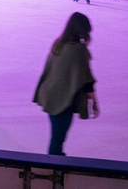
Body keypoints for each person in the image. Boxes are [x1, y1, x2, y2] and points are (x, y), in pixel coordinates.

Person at [33, 12, 99, 156]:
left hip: (50, 94)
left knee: (57, 136)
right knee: (58, 138)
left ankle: (55, 160)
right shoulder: (78, 50)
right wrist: (95, 102)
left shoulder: (59, 43)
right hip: (62, 99)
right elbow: (86, 80)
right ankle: (54, 166)